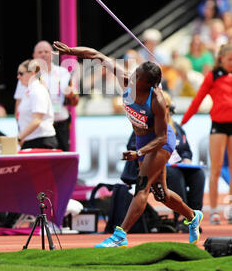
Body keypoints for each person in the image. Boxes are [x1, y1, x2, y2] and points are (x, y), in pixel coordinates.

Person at [53, 40, 203, 246]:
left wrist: (138, 152)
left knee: (142, 187)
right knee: (160, 194)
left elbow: (160, 137)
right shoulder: (126, 81)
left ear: (146, 82)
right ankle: (194, 217)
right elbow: (97, 55)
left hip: (160, 142)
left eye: (137, 75)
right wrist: (71, 51)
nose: (132, 75)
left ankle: (119, 236)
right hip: (143, 140)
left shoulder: (157, 101)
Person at [181, 43, 232, 224]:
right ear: (221, 59)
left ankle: (231, 207)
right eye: (229, 60)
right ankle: (215, 211)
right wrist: (184, 121)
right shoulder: (213, 76)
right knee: (216, 169)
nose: (231, 63)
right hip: (218, 125)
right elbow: (199, 98)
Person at [14, 41, 78, 151]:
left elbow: (75, 102)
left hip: (59, 124)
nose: (43, 54)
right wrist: (21, 132)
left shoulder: (62, 73)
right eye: (40, 52)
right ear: (34, 56)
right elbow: (18, 108)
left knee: (62, 160)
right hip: (37, 130)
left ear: (52, 54)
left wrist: (71, 95)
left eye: (46, 51)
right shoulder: (27, 76)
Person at [163, 91, 206, 230]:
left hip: (178, 165)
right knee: (174, 174)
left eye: (166, 106)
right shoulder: (146, 127)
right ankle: (182, 215)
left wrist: (186, 159)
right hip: (159, 167)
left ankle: (194, 215)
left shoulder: (177, 128)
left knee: (198, 174)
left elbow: (186, 149)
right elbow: (135, 147)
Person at [17, 59, 58, 150]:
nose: (18, 77)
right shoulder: (29, 91)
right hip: (32, 140)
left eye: (21, 73)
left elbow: (37, 119)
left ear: (32, 73)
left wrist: (19, 138)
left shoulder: (37, 90)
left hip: (41, 141)